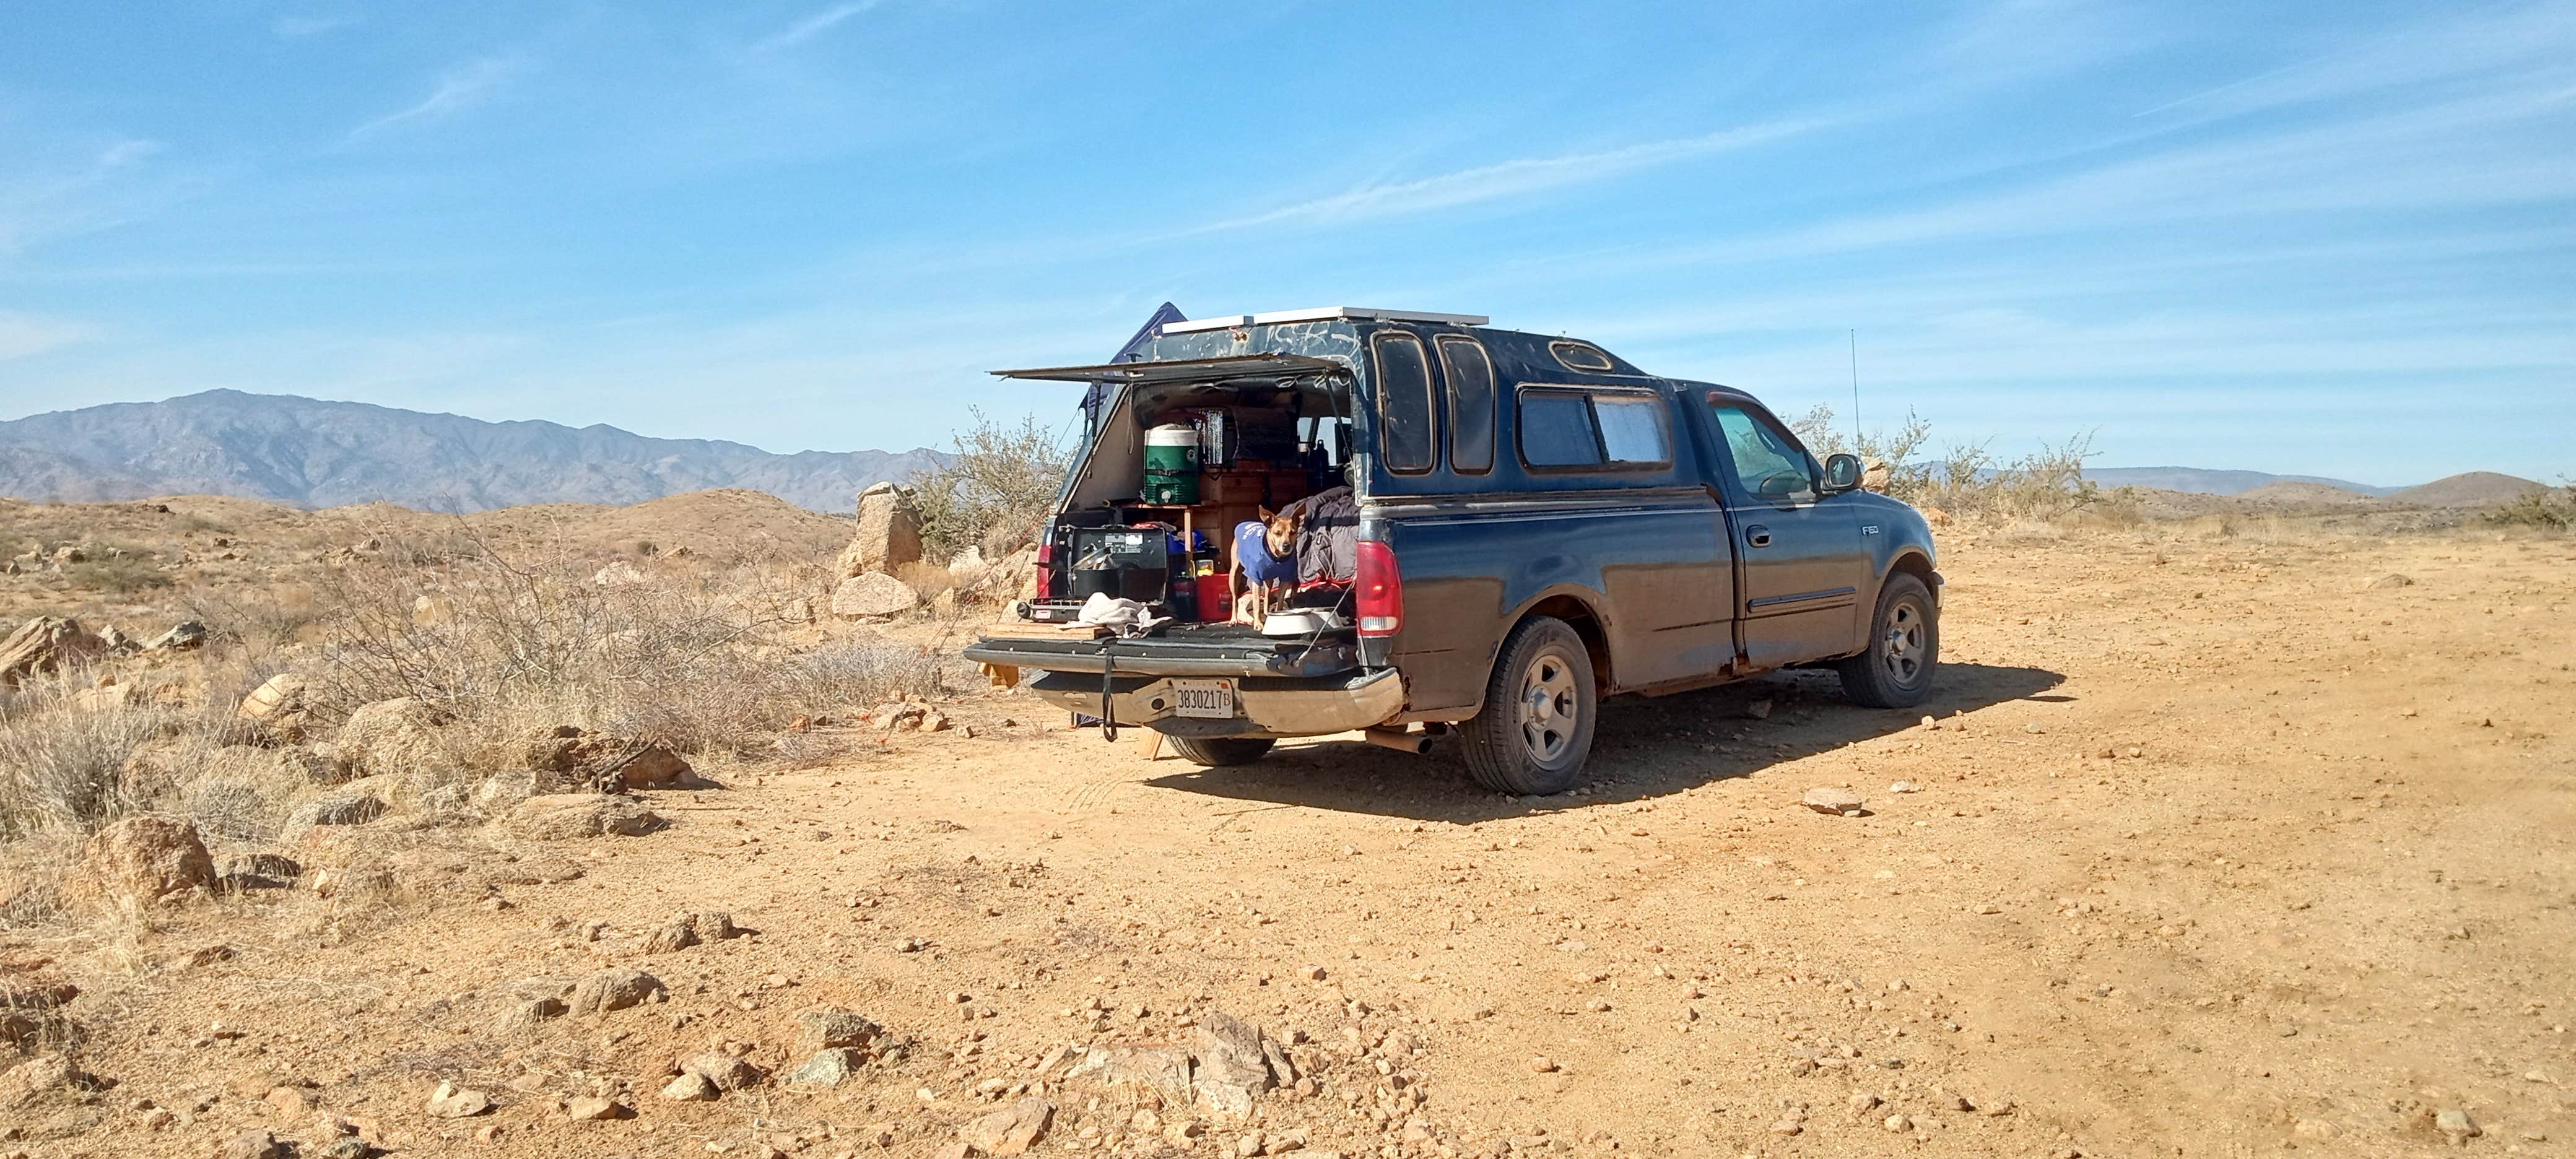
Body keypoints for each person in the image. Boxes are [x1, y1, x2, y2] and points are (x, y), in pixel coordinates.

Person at [1230, 506, 1301, 627]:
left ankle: (1278, 613)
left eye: (1292, 533)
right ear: (1269, 528)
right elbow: (1256, 584)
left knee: (1275, 575)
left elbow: (1285, 582)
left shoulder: (1291, 557)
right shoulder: (1258, 555)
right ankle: (1240, 613)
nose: (1286, 541)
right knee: (1236, 571)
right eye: (1278, 534)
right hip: (1246, 541)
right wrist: (1256, 620)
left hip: (1278, 559)